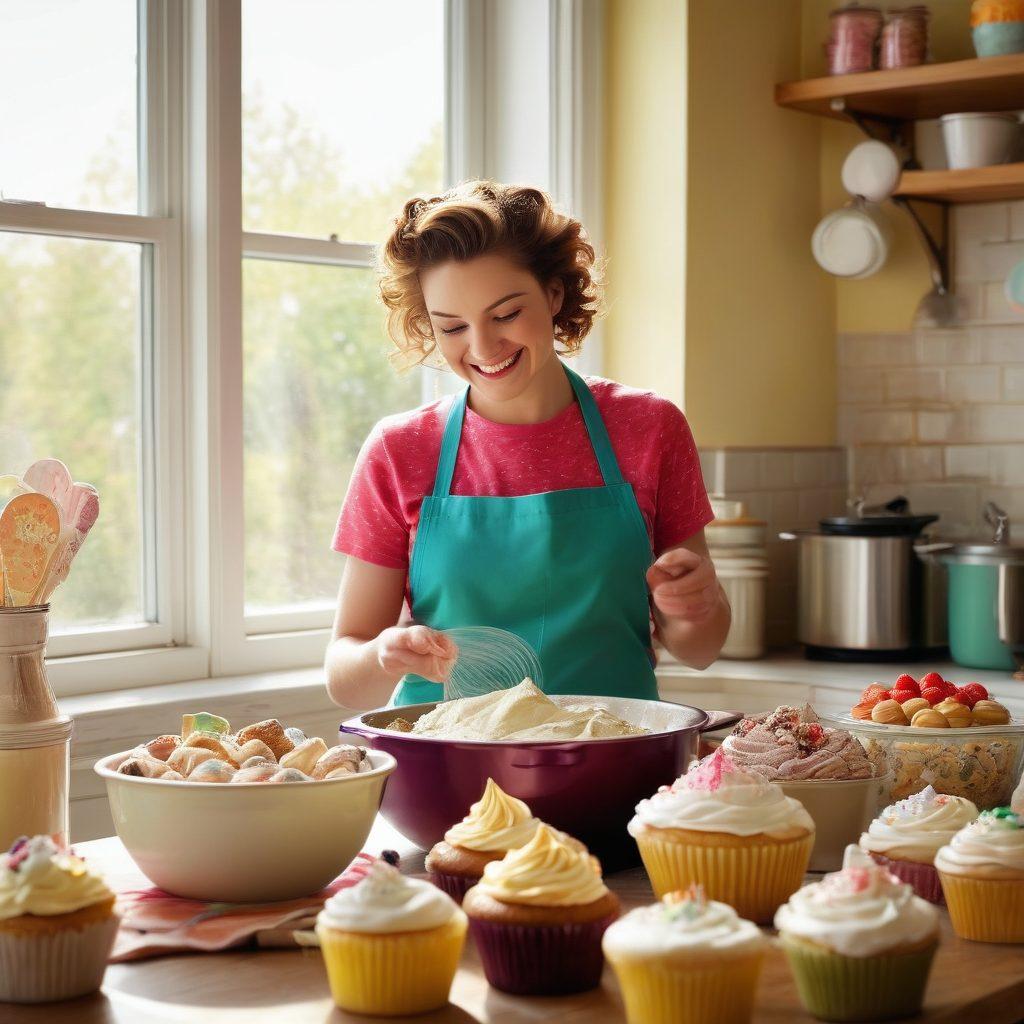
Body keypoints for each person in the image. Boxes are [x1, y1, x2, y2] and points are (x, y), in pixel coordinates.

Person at [325, 181, 730, 710]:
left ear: (554, 293)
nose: (483, 347)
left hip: (618, 752)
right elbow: (343, 672)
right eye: (451, 327)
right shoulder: (400, 450)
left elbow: (700, 647)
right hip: (449, 763)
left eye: (506, 314)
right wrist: (382, 654)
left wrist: (694, 607)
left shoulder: (649, 427)